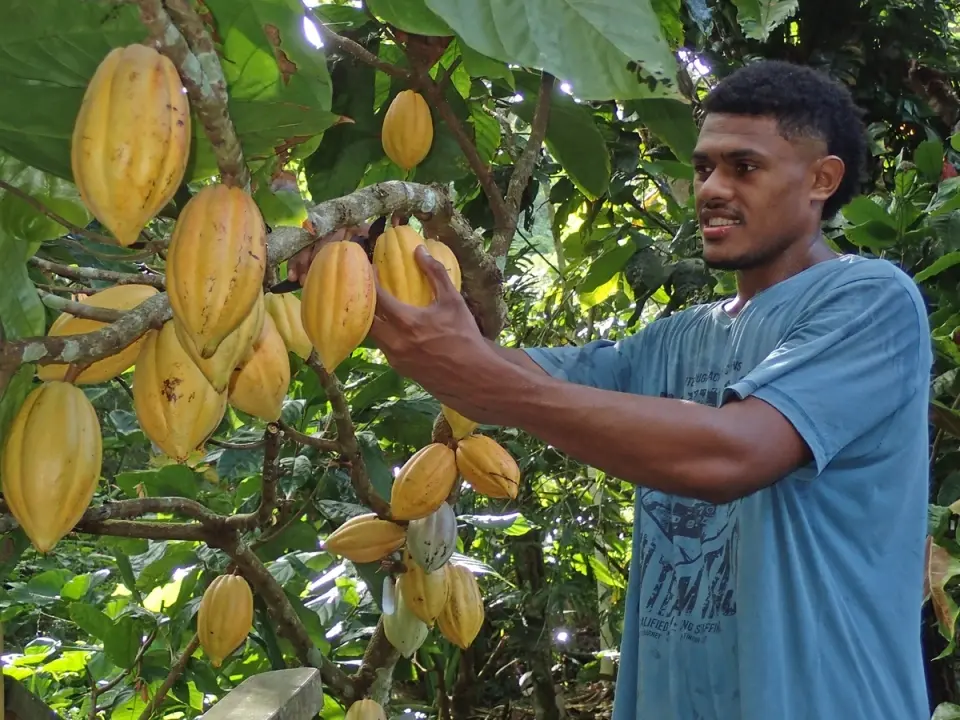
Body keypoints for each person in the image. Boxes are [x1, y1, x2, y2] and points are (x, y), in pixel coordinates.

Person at [288, 59, 933, 719]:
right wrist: (350, 277)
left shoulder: (869, 301)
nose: (711, 187)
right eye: (705, 166)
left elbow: (735, 455)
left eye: (744, 167)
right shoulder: (674, 339)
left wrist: (484, 378)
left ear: (822, 180)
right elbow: (488, 378)